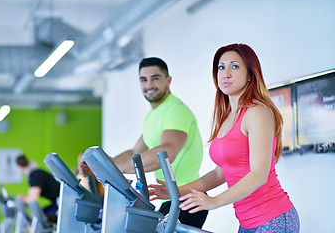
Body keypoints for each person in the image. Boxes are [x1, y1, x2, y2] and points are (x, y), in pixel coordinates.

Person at [149, 44, 300, 232]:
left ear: (250, 74)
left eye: (234, 66)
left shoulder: (257, 112)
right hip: (247, 222)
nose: (225, 73)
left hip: (273, 218)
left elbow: (259, 174)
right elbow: (219, 173)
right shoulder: (227, 116)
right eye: (221, 67)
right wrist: (175, 191)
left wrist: (214, 201)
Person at [79, 57, 208, 229]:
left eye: (155, 78)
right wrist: (101, 167)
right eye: (143, 79)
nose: (149, 85)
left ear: (168, 80)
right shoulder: (153, 115)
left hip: (187, 198)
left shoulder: (175, 110)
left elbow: (167, 152)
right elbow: (134, 152)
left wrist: (119, 167)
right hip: (169, 198)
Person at [16, 154, 60, 222]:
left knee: (38, 219)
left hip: (61, 203)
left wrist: (21, 199)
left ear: (20, 167)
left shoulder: (36, 175)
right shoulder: (35, 173)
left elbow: (33, 198)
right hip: (57, 202)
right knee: (38, 217)